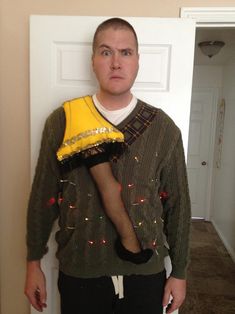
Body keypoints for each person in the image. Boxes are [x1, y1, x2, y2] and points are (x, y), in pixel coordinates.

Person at [25, 17, 191, 314]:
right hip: (80, 275)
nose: (116, 63)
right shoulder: (62, 122)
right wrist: (33, 262)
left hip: (146, 277)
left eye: (125, 52)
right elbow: (43, 198)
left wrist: (179, 272)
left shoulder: (164, 129)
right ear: (93, 61)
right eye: (106, 52)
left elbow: (178, 205)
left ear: (138, 61)